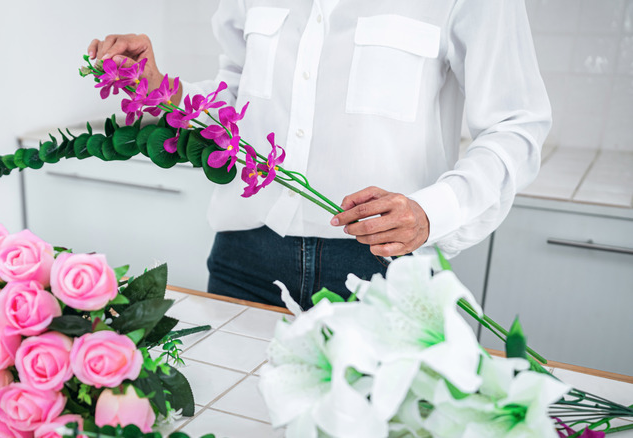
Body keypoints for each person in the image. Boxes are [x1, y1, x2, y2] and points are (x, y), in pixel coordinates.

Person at [87, 0, 550, 310]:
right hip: (244, 259)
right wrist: (161, 91)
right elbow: (240, 93)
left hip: (382, 273)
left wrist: (432, 211)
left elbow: (516, 124)